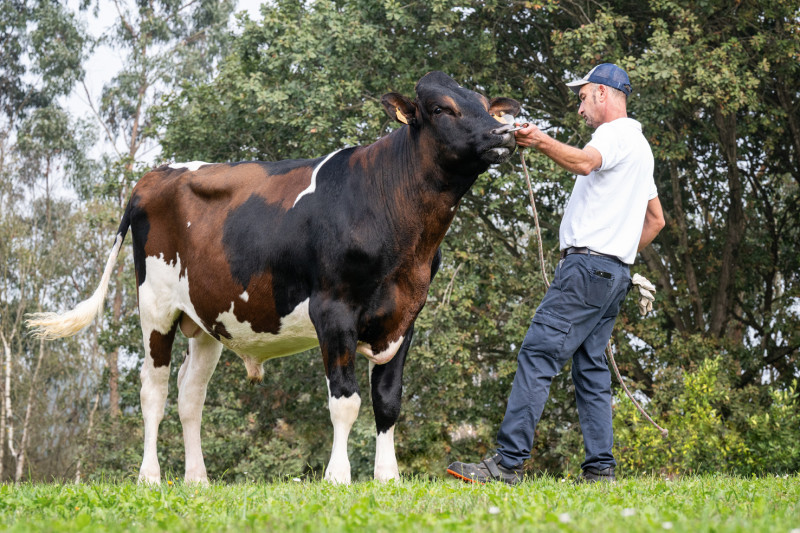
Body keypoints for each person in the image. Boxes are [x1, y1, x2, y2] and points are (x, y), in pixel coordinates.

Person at [447, 63, 665, 485]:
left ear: (603, 93)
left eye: (583, 97)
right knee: (591, 369)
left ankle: (507, 465)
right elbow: (656, 220)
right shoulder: (641, 148)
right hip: (613, 275)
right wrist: (619, 255)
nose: (580, 108)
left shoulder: (614, 135)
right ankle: (600, 471)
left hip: (587, 270)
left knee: (538, 354)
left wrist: (541, 140)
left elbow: (585, 163)